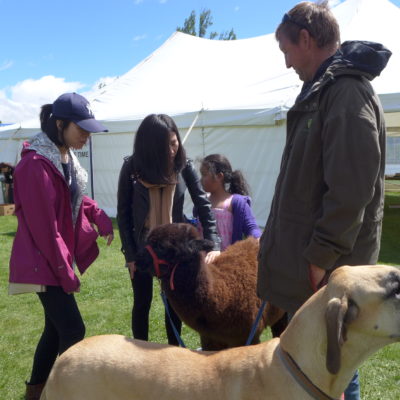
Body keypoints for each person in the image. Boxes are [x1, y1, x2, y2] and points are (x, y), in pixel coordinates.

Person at [256, 2, 391, 400]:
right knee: (318, 365)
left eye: (286, 52)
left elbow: (350, 191)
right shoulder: (327, 91)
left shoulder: (346, 93)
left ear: (306, 38)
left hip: (328, 271)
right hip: (319, 272)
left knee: (332, 365)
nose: (286, 64)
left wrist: (320, 258)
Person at [8, 92, 114, 400]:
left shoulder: (61, 156)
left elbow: (74, 196)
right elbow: (45, 229)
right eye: (81, 130)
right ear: (60, 124)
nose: (86, 137)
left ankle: (36, 393)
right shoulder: (34, 165)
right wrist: (64, 269)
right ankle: (68, 391)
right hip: (45, 262)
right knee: (73, 330)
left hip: (53, 260)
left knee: (55, 330)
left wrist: (98, 214)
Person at [117, 113, 221, 345]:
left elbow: (204, 205)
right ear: (150, 146)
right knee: (142, 302)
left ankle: (174, 351)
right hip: (144, 248)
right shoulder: (132, 168)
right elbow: (123, 215)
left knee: (175, 303)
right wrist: (131, 256)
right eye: (165, 146)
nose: (172, 150)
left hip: (174, 249)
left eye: (174, 143)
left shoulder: (184, 166)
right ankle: (139, 353)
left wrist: (214, 242)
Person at [198, 153, 261, 250]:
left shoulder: (236, 202)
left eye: (204, 175)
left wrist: (258, 239)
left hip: (227, 262)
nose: (200, 179)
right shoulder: (201, 201)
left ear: (219, 176)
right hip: (204, 263)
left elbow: (251, 227)